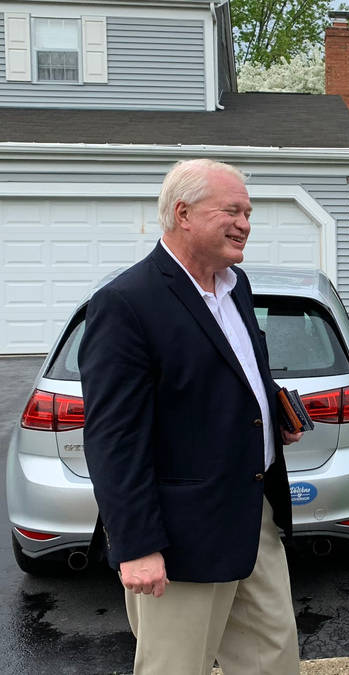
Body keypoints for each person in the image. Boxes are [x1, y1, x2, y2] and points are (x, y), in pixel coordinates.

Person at [79, 159, 302, 674]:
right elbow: (114, 439)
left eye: (248, 212)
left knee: (273, 658)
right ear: (183, 214)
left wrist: (272, 410)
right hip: (179, 537)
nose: (246, 222)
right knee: (176, 667)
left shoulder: (235, 286)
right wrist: (136, 546)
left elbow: (234, 372)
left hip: (253, 510)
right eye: (232, 210)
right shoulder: (127, 303)